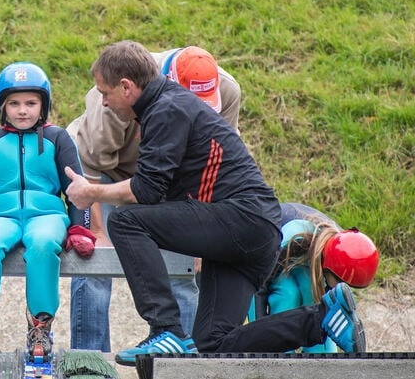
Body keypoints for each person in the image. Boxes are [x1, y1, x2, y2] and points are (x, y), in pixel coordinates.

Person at [64, 40, 365, 365]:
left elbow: (147, 191)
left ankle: (165, 329)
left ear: (126, 87)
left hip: (242, 220)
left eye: (105, 93)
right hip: (251, 235)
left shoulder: (167, 108)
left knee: (125, 221)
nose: (104, 103)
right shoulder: (163, 107)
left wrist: (92, 192)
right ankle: (322, 319)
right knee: (213, 345)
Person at [68, 46, 242, 352]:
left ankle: (179, 360)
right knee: (95, 264)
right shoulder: (112, 99)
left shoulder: (226, 91)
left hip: (171, 178)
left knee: (183, 269)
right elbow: (90, 168)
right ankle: (89, 360)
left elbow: (215, 165)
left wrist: (202, 239)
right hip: (109, 170)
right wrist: (96, 232)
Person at [0, 62, 95, 363]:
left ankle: (40, 326)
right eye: (14, 103)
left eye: (31, 103)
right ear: (2, 106)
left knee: (42, 246)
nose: (22, 110)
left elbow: (77, 188)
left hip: (47, 216)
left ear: (43, 105)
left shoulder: (58, 139)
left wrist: (80, 228)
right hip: (2, 216)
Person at [248, 202, 379, 353]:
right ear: (331, 269)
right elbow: (257, 286)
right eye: (341, 282)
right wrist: (258, 336)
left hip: (303, 261)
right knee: (287, 294)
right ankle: (279, 357)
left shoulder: (341, 248)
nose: (342, 287)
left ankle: (323, 363)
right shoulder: (293, 238)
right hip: (267, 259)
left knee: (314, 296)